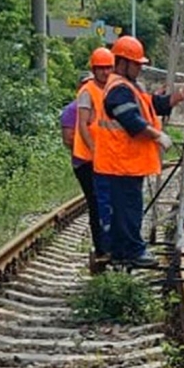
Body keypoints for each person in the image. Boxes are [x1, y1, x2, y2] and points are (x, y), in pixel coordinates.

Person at [92, 35, 184, 267]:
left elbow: (152, 104)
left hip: (127, 163)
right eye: (137, 64)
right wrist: (158, 136)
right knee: (128, 211)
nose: (140, 68)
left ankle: (125, 251)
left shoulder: (129, 87)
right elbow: (131, 121)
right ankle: (131, 252)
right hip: (121, 163)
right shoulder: (119, 90)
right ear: (123, 62)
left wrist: (178, 97)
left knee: (129, 210)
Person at [72, 47, 114, 266]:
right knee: (97, 203)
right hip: (87, 159)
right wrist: (95, 152)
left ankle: (109, 246)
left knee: (107, 203)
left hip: (105, 158)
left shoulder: (112, 88)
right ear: (94, 69)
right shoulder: (88, 92)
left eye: (109, 68)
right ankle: (101, 249)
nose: (106, 72)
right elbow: (83, 125)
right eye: (101, 69)